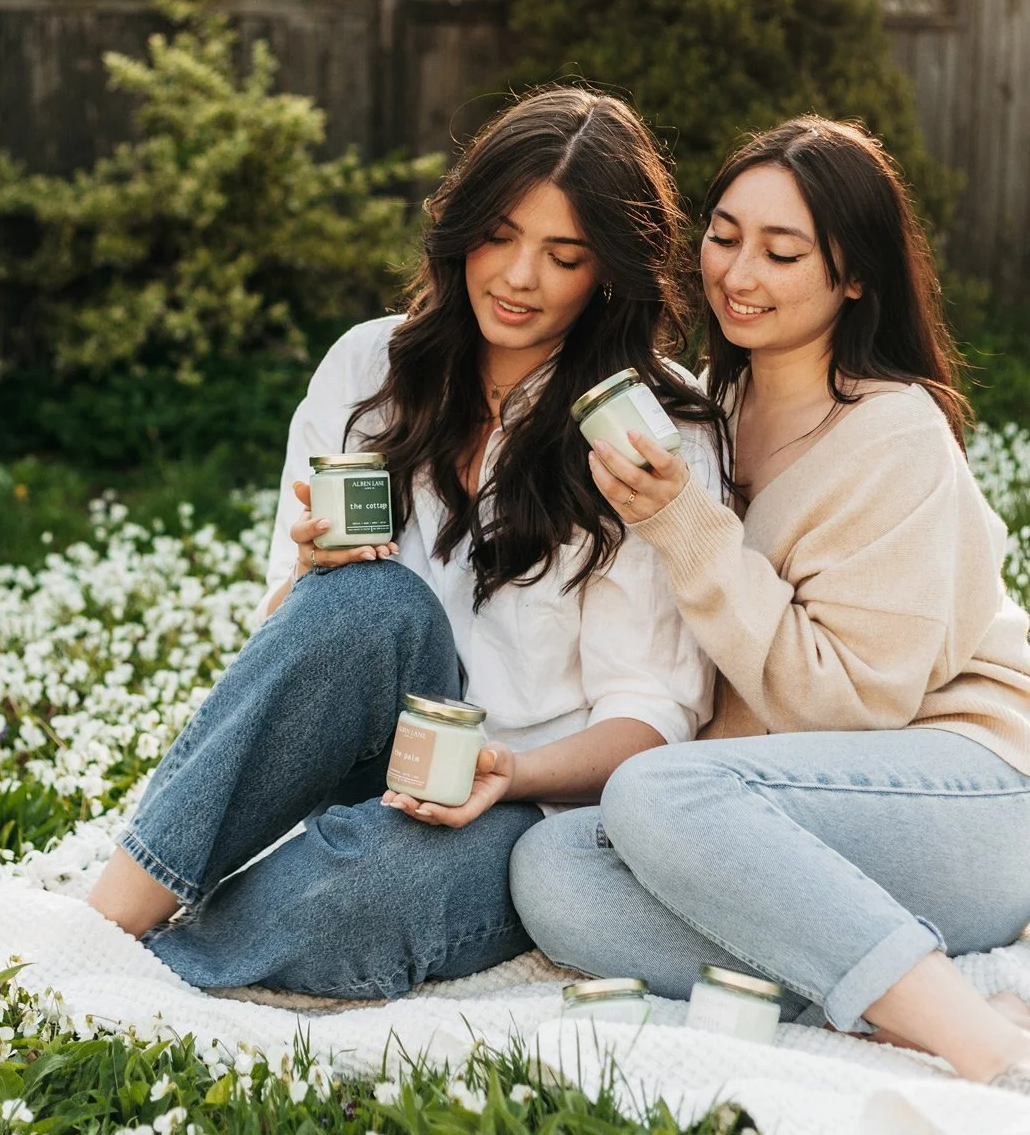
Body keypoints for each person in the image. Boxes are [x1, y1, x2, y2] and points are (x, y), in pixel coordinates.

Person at [86, 86, 725, 1000]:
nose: (518, 277)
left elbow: (655, 713)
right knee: (367, 599)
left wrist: (507, 775)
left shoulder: (653, 434)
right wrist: (308, 578)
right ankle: (99, 927)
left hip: (524, 800)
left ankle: (161, 968)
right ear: (461, 227)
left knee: (357, 901)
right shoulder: (367, 369)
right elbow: (284, 655)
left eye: (564, 254)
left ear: (610, 274)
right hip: (360, 751)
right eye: (500, 235)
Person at [509, 116, 1030, 1090]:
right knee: (554, 866)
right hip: (792, 817)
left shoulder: (895, 435)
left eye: (782, 251)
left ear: (855, 276)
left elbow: (852, 705)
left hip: (965, 792)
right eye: (725, 233)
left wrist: (687, 524)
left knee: (658, 788)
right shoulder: (707, 408)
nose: (738, 271)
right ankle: (888, 982)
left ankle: (981, 1040)